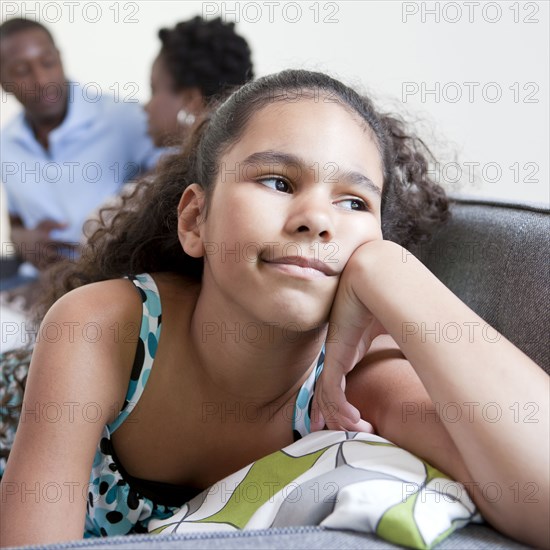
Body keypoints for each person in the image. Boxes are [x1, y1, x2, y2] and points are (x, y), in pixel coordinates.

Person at [0, 70, 548, 547]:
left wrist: (390, 273)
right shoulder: (100, 327)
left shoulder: (355, 383)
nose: (317, 219)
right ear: (196, 221)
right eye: (278, 181)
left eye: (354, 202)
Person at [0, 18, 161, 280]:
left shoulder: (123, 119)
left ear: (61, 59)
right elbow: (16, 218)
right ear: (3, 81)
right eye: (21, 70)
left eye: (48, 62)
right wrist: (18, 238)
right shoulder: (5, 145)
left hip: (110, 280)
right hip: (38, 281)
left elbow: (177, 173)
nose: (41, 80)